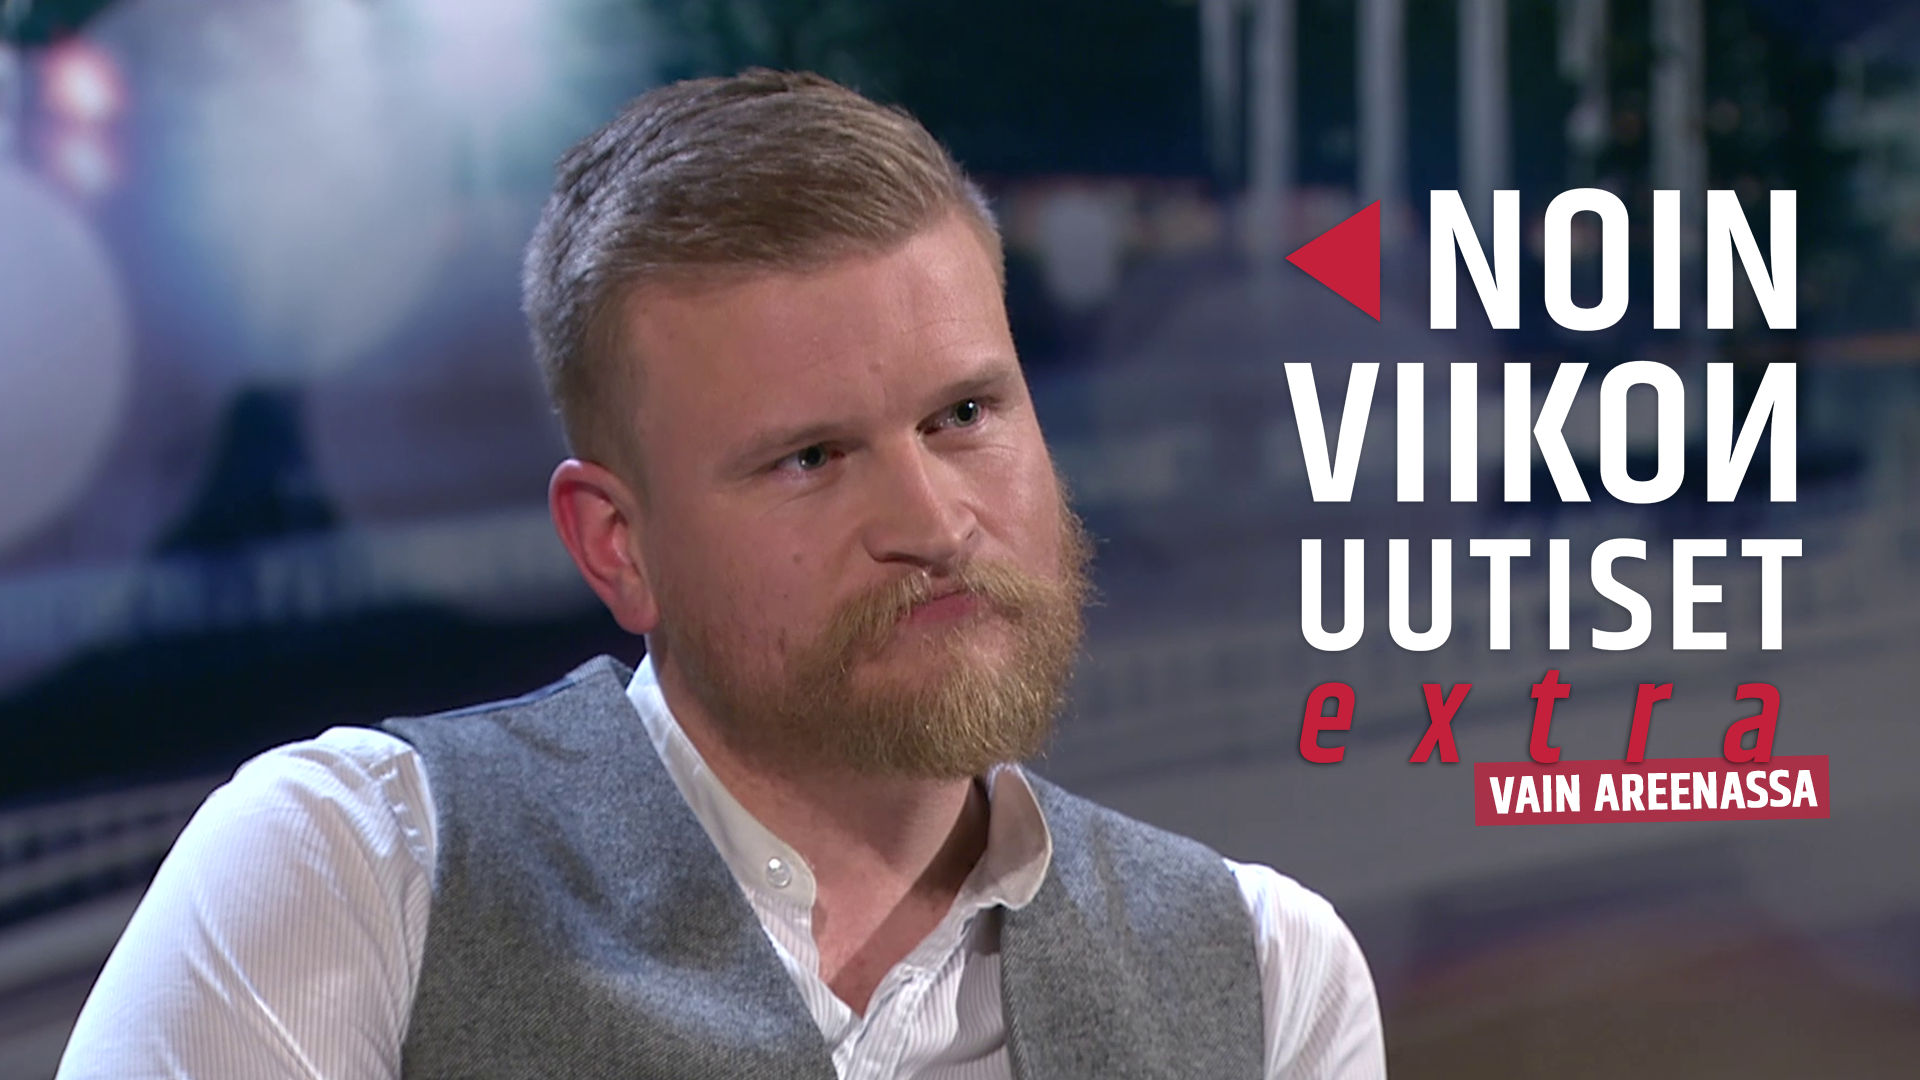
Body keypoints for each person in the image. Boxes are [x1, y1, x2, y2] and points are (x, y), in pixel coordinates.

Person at [57, 70, 1385, 1079]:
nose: (933, 521)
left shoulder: (1269, 980)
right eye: (812, 458)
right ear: (616, 544)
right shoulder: (352, 879)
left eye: (965, 416)